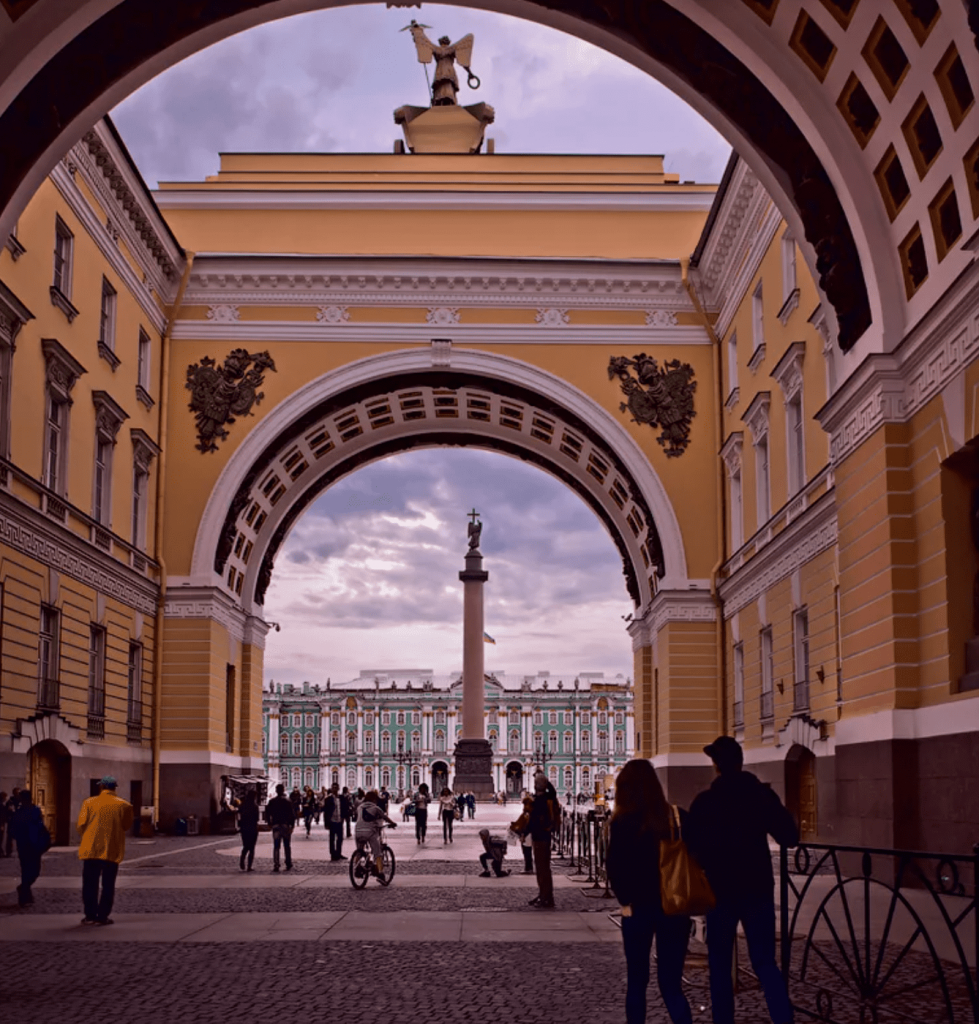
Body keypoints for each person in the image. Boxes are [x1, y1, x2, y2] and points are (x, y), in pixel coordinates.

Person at [686, 736, 799, 1024]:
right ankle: (783, 1019)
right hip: (757, 888)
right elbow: (789, 836)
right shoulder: (760, 796)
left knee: (720, 966)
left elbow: (693, 849)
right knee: (765, 963)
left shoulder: (706, 801)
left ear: (716, 766)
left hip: (720, 891)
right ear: (740, 762)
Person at [606, 759, 693, 1024]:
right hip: (674, 906)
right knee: (671, 985)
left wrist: (625, 899)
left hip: (637, 909)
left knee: (637, 982)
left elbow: (614, 866)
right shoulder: (677, 817)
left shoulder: (621, 822)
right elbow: (697, 857)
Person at [76, 776, 133, 925]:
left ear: (101, 787)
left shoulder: (88, 803)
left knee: (89, 884)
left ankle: (89, 915)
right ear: (115, 788)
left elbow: (81, 825)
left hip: (91, 849)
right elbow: (126, 826)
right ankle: (102, 916)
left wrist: (89, 837)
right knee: (108, 884)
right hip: (111, 849)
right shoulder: (125, 805)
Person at [9, 789, 49, 908]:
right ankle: (24, 895)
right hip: (26, 844)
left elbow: (40, 825)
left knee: (33, 871)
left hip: (33, 844)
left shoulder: (34, 810)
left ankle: (24, 891)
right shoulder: (21, 812)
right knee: (28, 870)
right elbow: (13, 829)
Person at [527, 773, 560, 908]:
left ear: (536, 786)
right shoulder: (548, 798)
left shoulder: (538, 802)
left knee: (542, 869)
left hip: (539, 838)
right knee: (545, 868)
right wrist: (544, 779)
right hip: (546, 837)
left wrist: (522, 831)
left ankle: (545, 897)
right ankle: (545, 895)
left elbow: (532, 822)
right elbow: (553, 791)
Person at [354, 790, 397, 875]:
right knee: (378, 853)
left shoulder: (359, 807)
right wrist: (392, 823)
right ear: (374, 799)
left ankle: (356, 867)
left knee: (359, 851)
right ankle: (380, 872)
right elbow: (384, 817)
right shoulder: (376, 808)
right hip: (369, 832)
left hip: (358, 832)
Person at [263, 782, 295, 872]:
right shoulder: (288, 801)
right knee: (287, 845)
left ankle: (276, 864)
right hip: (285, 824)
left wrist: (269, 823)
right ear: (283, 790)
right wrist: (292, 825)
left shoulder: (272, 801)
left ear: (276, 791)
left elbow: (267, 813)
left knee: (276, 846)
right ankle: (288, 862)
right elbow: (292, 814)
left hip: (276, 825)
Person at [323, 783, 350, 861]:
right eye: (333, 788)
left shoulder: (342, 798)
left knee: (340, 838)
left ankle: (338, 853)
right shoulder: (328, 799)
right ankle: (332, 854)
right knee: (332, 838)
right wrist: (326, 823)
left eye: (336, 788)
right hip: (332, 821)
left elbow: (345, 808)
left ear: (338, 789)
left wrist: (344, 817)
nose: (334, 789)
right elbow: (326, 812)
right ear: (331, 789)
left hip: (339, 821)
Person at [510, 796, 535, 874]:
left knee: (527, 852)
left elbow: (526, 825)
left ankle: (528, 868)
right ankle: (528, 868)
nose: (524, 806)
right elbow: (520, 822)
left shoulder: (527, 813)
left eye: (524, 804)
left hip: (527, 835)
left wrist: (523, 834)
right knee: (527, 852)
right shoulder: (528, 813)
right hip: (527, 835)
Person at [237, 790, 260, 871]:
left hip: (244, 827)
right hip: (252, 828)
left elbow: (238, 814)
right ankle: (249, 866)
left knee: (245, 846)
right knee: (252, 848)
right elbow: (257, 818)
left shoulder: (242, 805)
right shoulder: (255, 806)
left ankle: (242, 860)